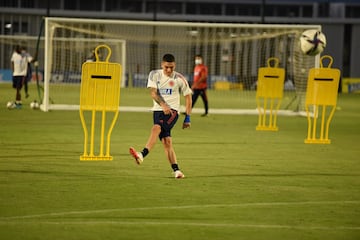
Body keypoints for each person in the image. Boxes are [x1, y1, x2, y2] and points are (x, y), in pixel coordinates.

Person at [129, 53, 192, 179]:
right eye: (166, 67)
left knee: (156, 128)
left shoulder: (179, 79)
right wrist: (162, 104)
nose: (169, 70)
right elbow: (153, 93)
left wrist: (187, 117)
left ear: (175, 66)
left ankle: (142, 154)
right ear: (161, 65)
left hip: (172, 112)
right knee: (167, 142)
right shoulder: (154, 74)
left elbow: (188, 97)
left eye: (171, 67)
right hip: (158, 110)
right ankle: (177, 170)